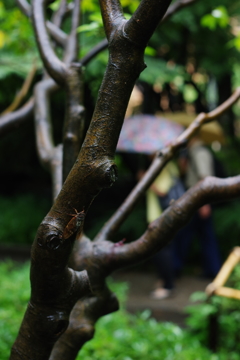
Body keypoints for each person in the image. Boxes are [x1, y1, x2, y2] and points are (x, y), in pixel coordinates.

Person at [176, 136, 222, 278]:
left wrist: (204, 203)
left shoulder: (199, 152)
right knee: (204, 235)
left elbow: (206, 179)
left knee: (188, 234)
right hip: (197, 199)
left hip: (199, 201)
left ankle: (175, 268)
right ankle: (212, 270)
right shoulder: (192, 152)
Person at [144, 160, 186, 299]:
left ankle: (168, 286)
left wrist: (145, 179)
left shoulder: (161, 165)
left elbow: (162, 191)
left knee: (162, 250)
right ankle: (164, 281)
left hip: (160, 216)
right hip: (160, 215)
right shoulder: (170, 164)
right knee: (161, 249)